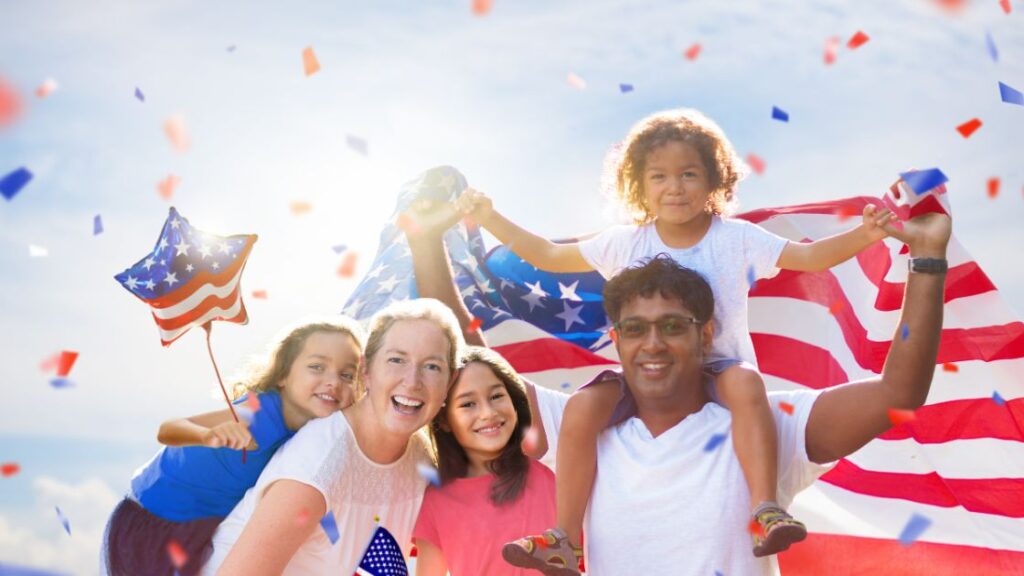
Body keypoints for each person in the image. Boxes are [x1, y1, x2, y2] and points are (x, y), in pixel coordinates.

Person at [458, 108, 896, 561]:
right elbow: (548, 255)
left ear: (713, 180)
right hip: (647, 373)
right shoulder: (626, 242)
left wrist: (865, 236)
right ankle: (566, 537)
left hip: (718, 368)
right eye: (659, 176)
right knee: (584, 406)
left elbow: (810, 258)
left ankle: (766, 508)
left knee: (748, 384)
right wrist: (490, 218)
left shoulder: (737, 238)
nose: (675, 187)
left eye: (689, 174)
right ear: (638, 185)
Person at [515, 209, 951, 575]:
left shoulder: (760, 421)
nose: (652, 343)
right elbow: (466, 369)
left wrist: (927, 258)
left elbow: (899, 393)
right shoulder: (584, 427)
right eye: (634, 329)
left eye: (672, 326)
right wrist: (444, 231)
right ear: (617, 339)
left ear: (706, 334)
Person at [202, 298, 464, 575]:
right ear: (367, 370)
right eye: (396, 360)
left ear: (450, 381)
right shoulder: (320, 464)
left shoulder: (421, 459)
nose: (412, 381)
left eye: (432, 366)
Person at [103, 316, 365, 576]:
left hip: (205, 525)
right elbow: (168, 429)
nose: (334, 381)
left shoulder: (317, 436)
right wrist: (208, 435)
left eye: (347, 374)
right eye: (317, 367)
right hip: (155, 518)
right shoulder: (254, 415)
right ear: (283, 374)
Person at [400, 196, 567, 576]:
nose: (488, 412)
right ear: (442, 419)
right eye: (467, 404)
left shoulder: (548, 478)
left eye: (496, 396)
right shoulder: (437, 501)